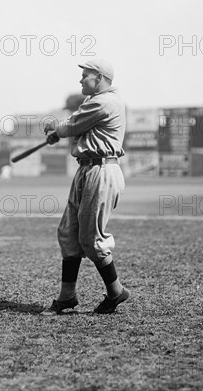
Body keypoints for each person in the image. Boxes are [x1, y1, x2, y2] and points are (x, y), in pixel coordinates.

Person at [41, 59, 129, 315]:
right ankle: (67, 296)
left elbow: (72, 125)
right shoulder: (98, 102)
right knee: (69, 233)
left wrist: (55, 129)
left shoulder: (105, 101)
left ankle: (116, 291)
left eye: (85, 76)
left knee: (91, 239)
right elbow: (79, 129)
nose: (81, 80)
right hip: (87, 169)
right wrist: (62, 133)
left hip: (101, 171)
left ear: (99, 78)